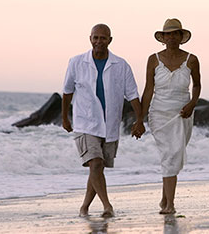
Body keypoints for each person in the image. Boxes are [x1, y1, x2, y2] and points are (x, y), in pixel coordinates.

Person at [62, 24, 145, 218]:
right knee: (96, 163)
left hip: (109, 124)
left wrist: (139, 120)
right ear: (90, 39)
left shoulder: (121, 65)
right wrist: (65, 117)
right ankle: (107, 206)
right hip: (85, 123)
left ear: (110, 40)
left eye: (103, 38)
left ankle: (84, 207)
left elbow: (132, 94)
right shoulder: (76, 62)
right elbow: (67, 92)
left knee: (96, 167)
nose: (99, 41)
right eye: (96, 37)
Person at [141, 18, 201, 214]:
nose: (172, 37)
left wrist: (192, 104)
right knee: (170, 155)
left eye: (175, 33)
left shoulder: (191, 59)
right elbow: (148, 90)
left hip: (182, 114)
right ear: (163, 37)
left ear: (181, 36)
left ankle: (165, 197)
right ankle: (170, 204)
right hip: (158, 114)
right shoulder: (153, 59)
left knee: (173, 155)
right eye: (168, 34)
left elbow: (197, 85)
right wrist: (139, 119)